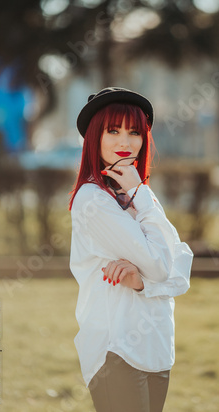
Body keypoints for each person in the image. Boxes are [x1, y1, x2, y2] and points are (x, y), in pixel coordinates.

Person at [69, 87, 193, 412]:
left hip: (158, 348)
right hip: (117, 351)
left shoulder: (138, 195)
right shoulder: (93, 200)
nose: (125, 142)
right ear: (95, 137)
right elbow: (164, 264)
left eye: (134, 132)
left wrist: (142, 282)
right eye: (113, 131)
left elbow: (181, 270)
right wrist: (154, 274)